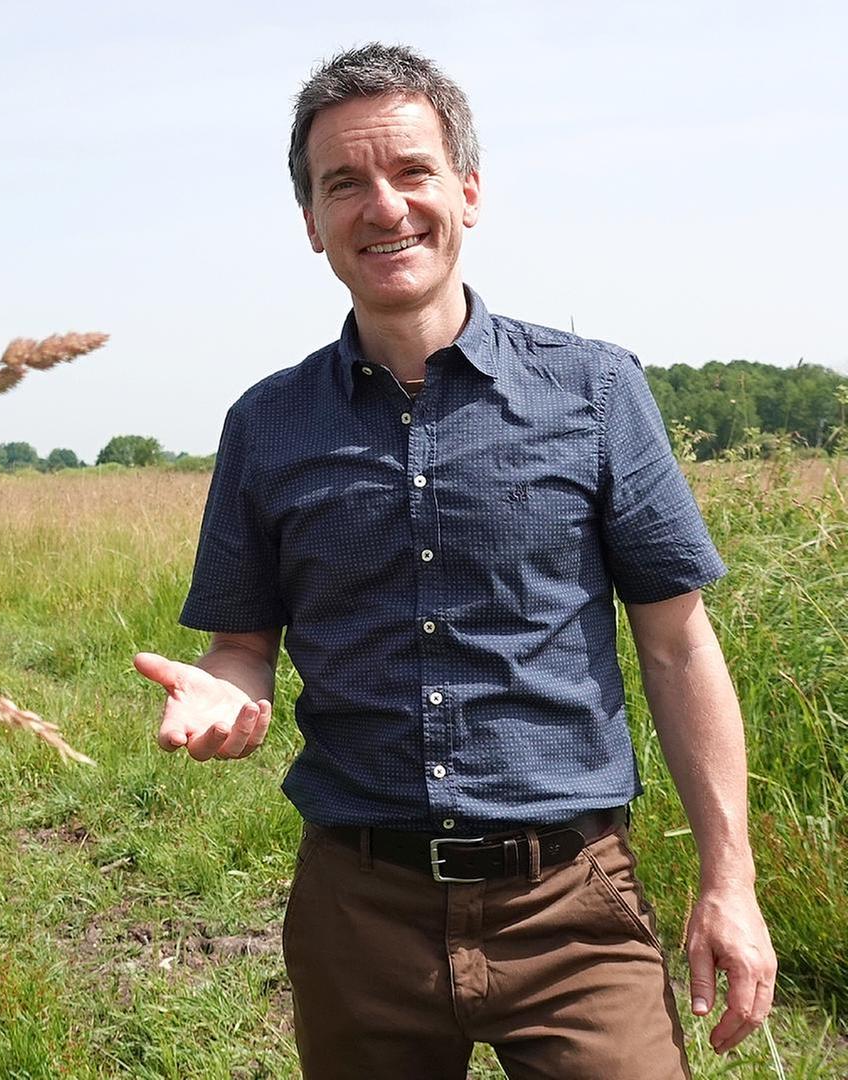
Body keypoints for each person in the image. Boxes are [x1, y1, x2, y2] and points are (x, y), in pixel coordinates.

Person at [132, 43, 776, 1078]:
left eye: (412, 171)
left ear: (468, 191)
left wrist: (728, 881)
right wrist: (227, 687)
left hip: (573, 906)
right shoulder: (267, 424)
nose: (384, 206)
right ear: (312, 221)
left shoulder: (595, 393)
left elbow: (678, 647)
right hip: (358, 911)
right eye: (344, 182)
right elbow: (243, 643)